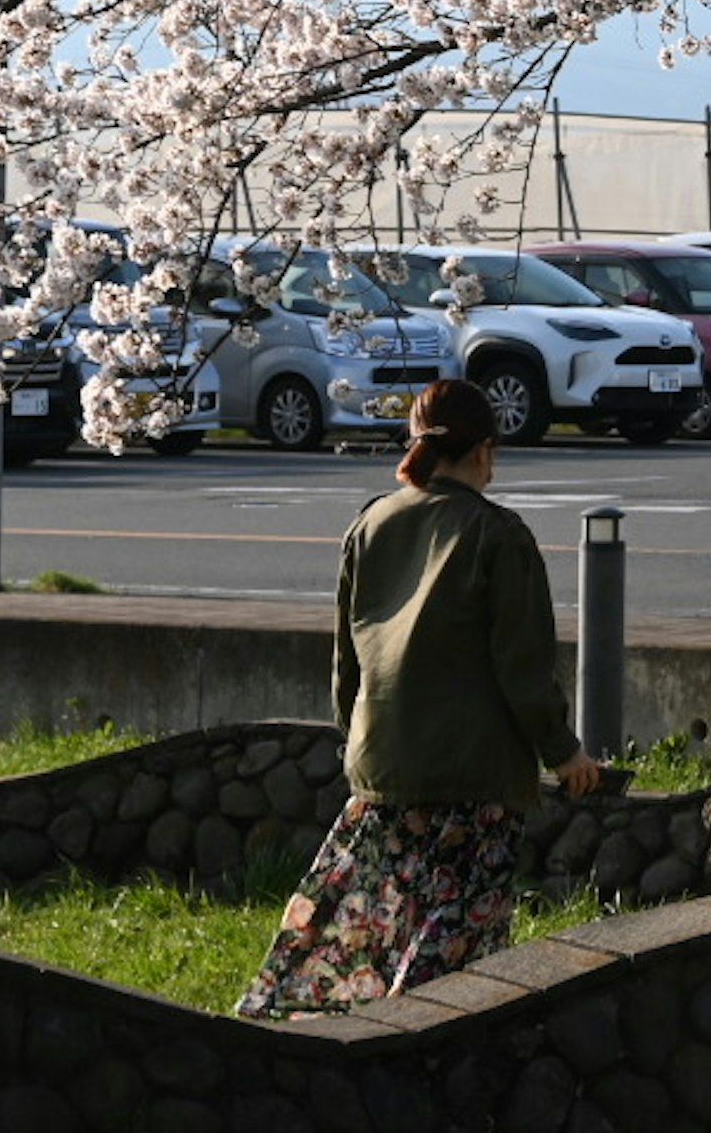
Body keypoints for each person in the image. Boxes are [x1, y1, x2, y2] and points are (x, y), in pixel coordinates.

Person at [237, 374, 605, 1017]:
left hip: (383, 767)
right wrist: (564, 752)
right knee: (454, 949)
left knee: (371, 925)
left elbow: (345, 662)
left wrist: (357, 744)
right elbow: (523, 668)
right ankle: (421, 1054)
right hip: (475, 776)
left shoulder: (371, 523)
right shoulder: (499, 535)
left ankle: (309, 1022)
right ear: (487, 449)